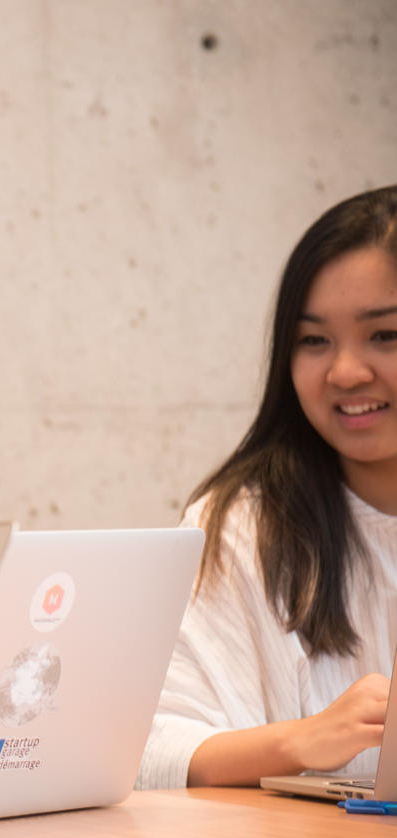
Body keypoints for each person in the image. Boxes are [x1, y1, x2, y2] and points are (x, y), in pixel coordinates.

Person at [139, 185, 397, 790]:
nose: (346, 372)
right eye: (314, 341)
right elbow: (150, 749)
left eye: (385, 336)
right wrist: (303, 740)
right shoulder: (245, 524)